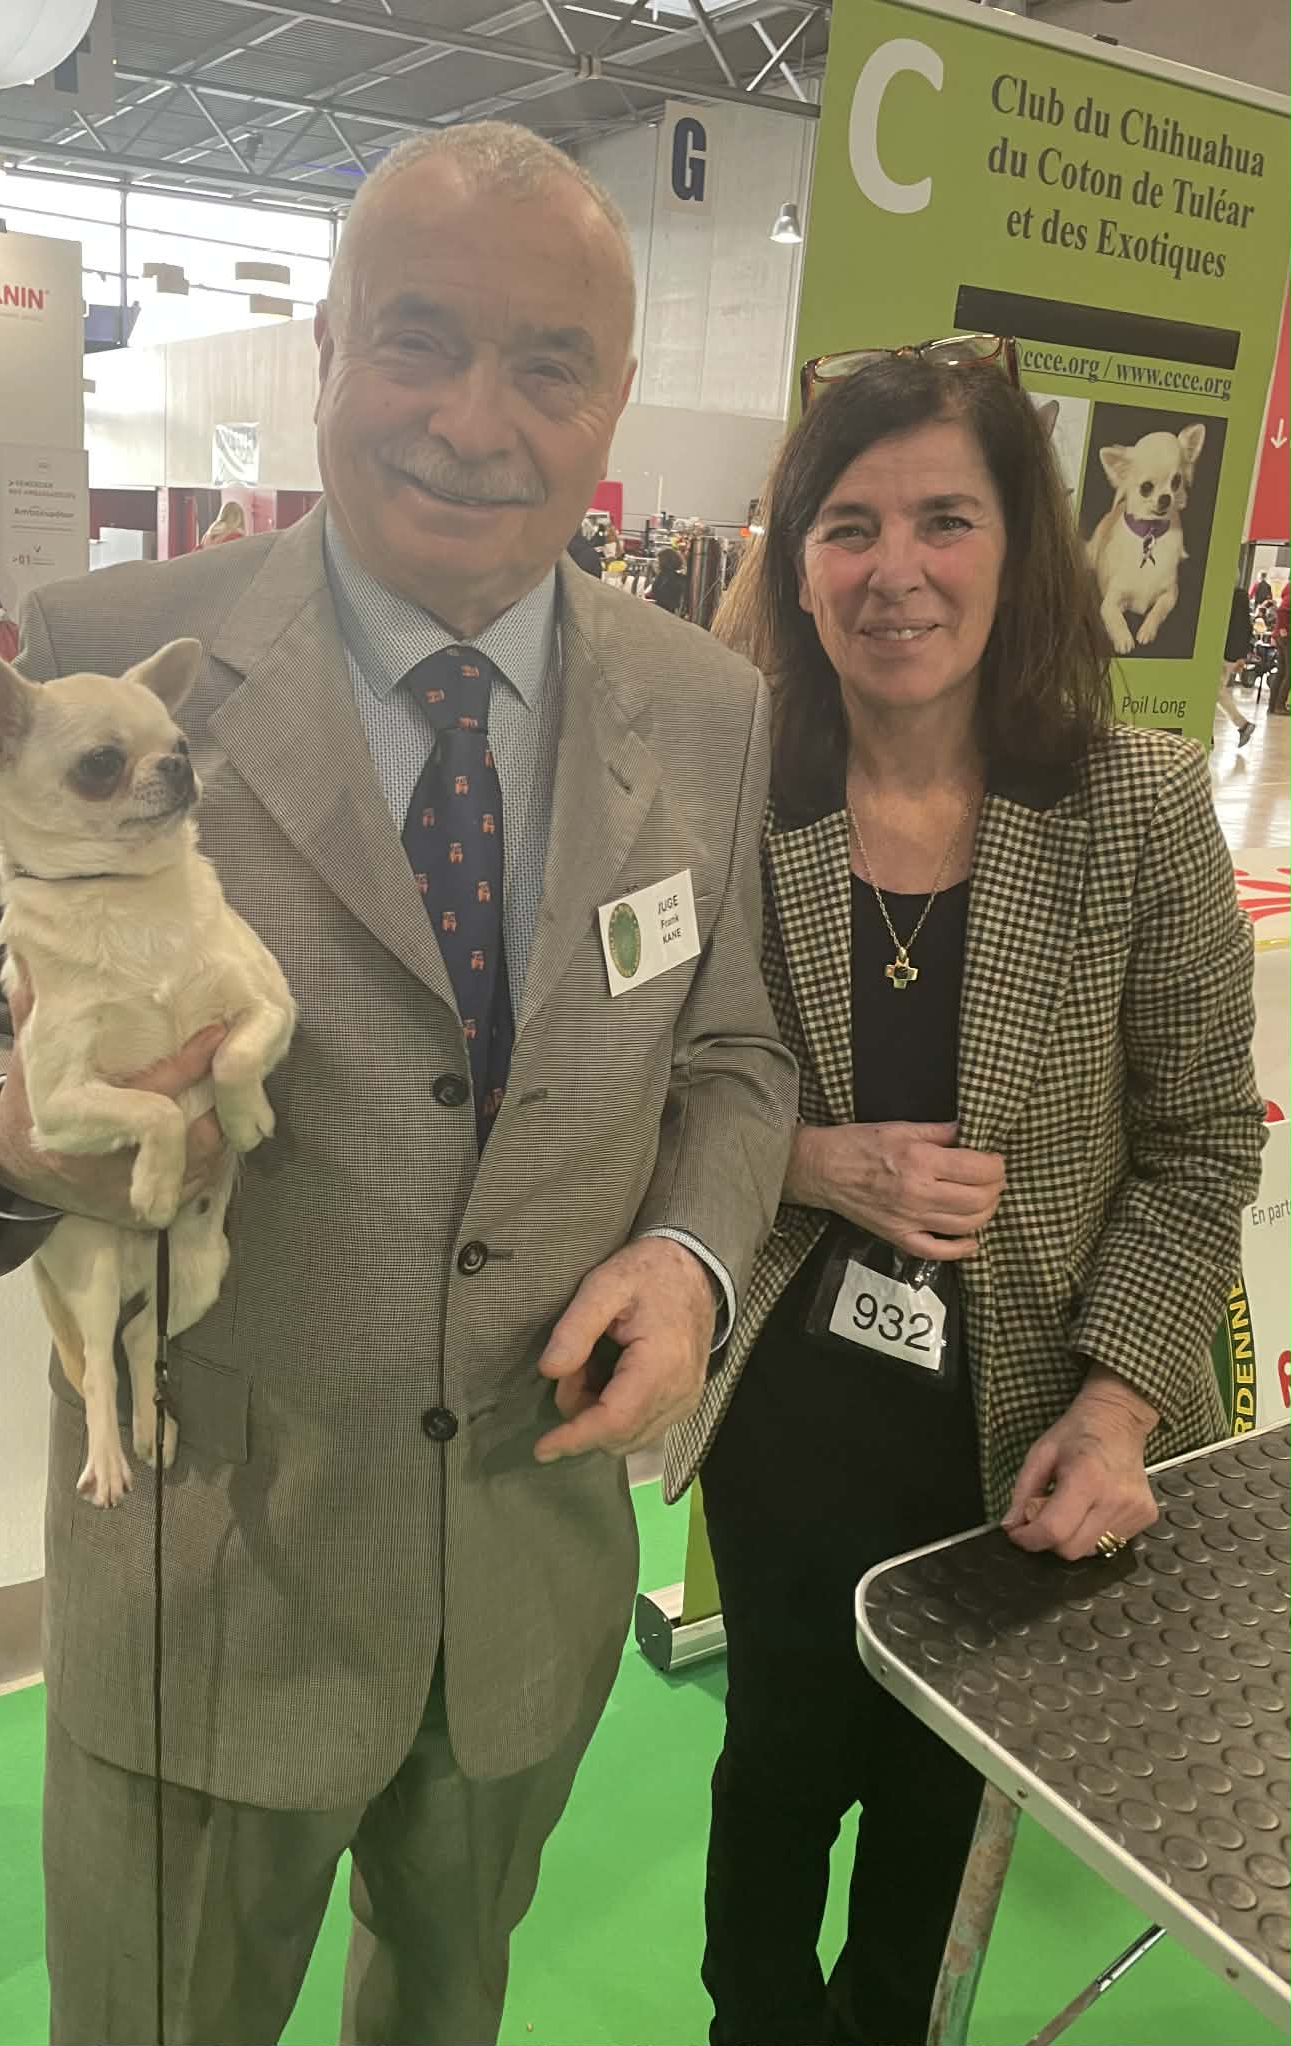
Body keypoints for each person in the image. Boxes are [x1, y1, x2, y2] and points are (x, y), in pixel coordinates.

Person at [0, 123, 796, 2046]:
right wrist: (16, 1137)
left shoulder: (705, 707)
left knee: (443, 2009)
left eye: (544, 365)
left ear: (611, 397)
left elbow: (735, 1051)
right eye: (418, 340)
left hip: (522, 1574)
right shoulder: (110, 655)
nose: (471, 419)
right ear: (328, 350)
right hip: (208, 1591)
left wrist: (691, 1260)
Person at [663, 344, 1264, 2046]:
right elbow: (628, 1091)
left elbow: (1202, 1141)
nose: (896, 571)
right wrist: (803, 1158)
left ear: (1018, 549)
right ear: (794, 563)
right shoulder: (728, 799)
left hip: (1027, 1418)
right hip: (792, 1413)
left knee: (948, 1800)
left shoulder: (1136, 806)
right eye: (847, 526)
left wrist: (1118, 1403)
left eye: (944, 519)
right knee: (777, 1763)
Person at [1218, 581, 1254, 745]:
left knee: (1215, 692)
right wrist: (1241, 656)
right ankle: (1242, 726)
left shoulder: (1231, 598)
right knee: (1216, 692)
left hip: (1223, 653)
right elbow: (1246, 629)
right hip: (1229, 655)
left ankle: (1243, 725)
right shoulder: (1241, 599)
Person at [1271, 579, 1291, 715]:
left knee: (1281, 671)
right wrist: (1284, 630)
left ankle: (1273, 705)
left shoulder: (1288, 591)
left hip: (1281, 636)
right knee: (1289, 672)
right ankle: (1279, 705)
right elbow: (1282, 611)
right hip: (1287, 637)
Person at [649, 545, 688, 615]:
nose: (656, 563)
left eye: (658, 560)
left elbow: (665, 599)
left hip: (666, 614)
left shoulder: (669, 578)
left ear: (664, 561)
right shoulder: (663, 576)